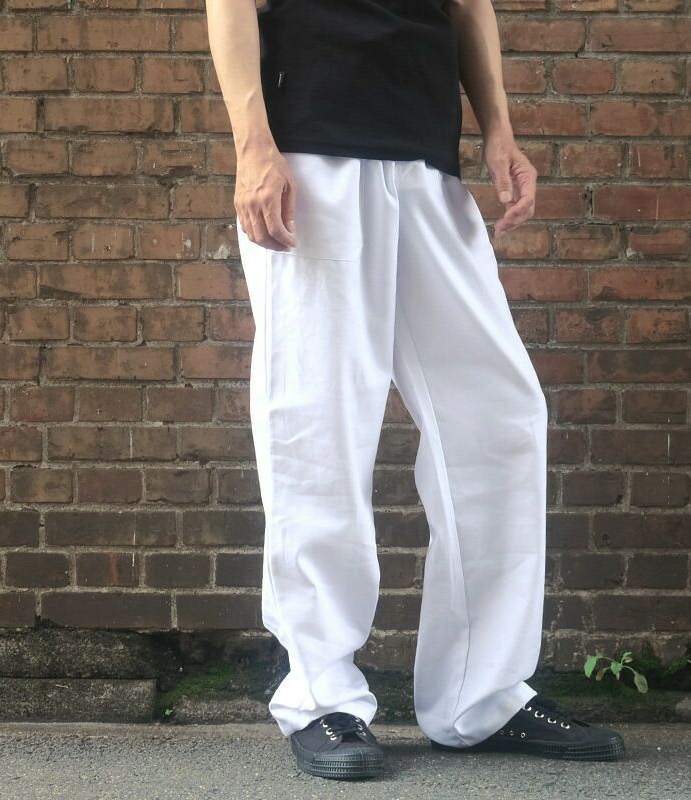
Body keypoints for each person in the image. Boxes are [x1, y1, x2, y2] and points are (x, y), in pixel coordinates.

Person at [205, 0, 626, 781]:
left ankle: (481, 695)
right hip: (313, 153)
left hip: (428, 160)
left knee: (499, 419)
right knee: (319, 427)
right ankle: (321, 695)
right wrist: (252, 144)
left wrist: (498, 128)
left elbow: (467, 3)